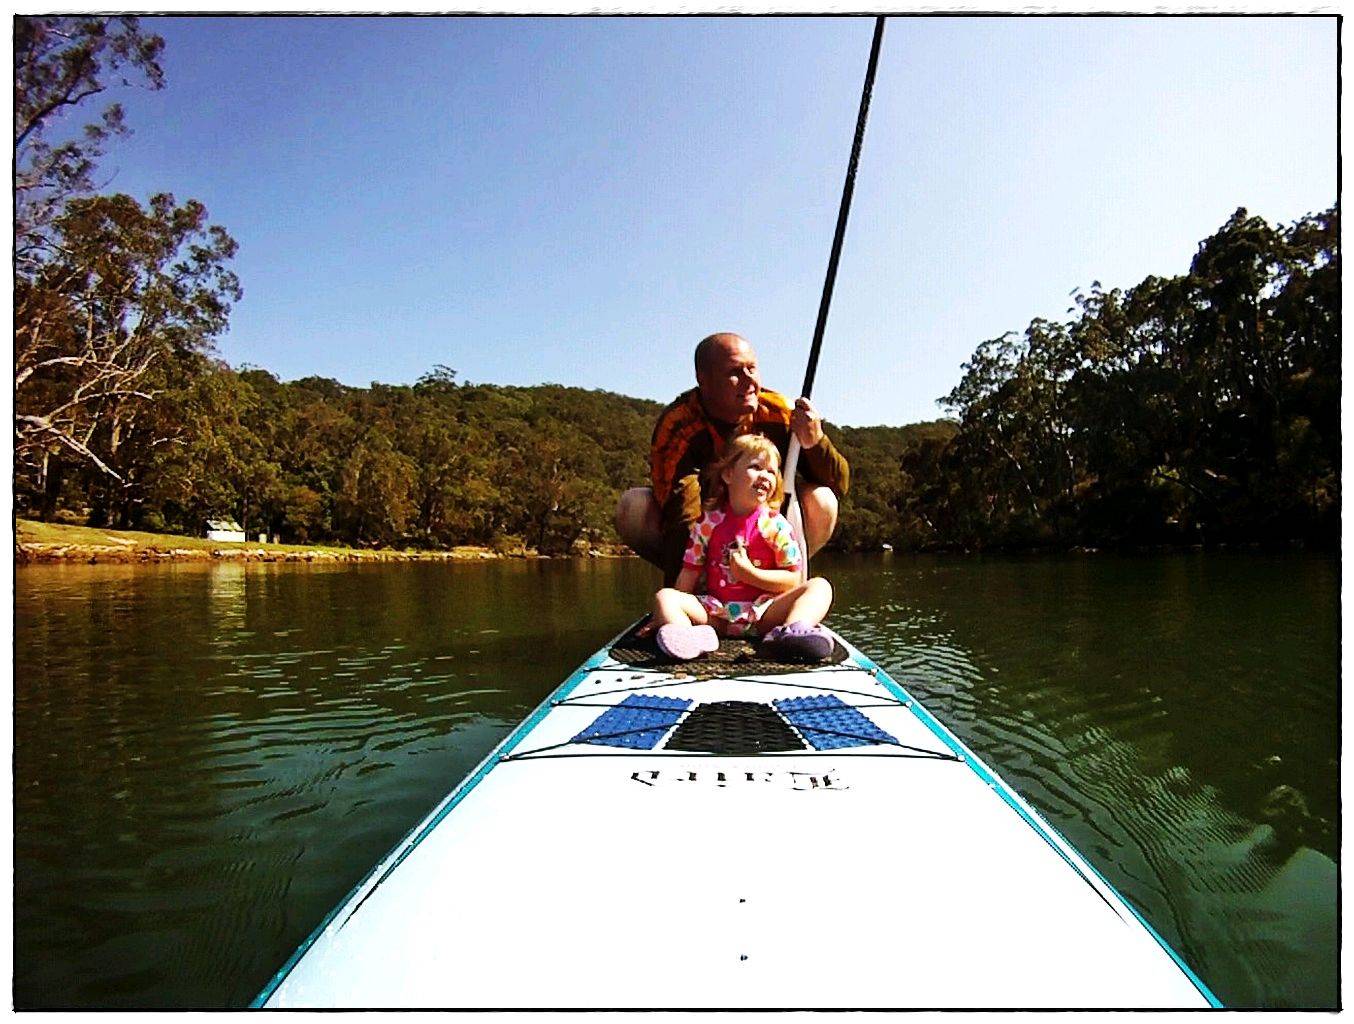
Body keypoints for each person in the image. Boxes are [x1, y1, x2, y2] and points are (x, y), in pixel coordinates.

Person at [615, 332, 850, 586]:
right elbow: (682, 514)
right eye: (735, 372)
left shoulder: (781, 413)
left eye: (752, 369)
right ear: (703, 380)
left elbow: (839, 484)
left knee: (823, 500)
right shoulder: (679, 426)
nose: (749, 381)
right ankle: (704, 583)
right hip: (705, 531)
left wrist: (815, 442)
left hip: (768, 530)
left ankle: (782, 577)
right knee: (633, 507)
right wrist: (686, 589)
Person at [649, 434, 835, 662]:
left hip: (764, 615)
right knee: (665, 597)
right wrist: (668, 614)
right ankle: (685, 635)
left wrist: (750, 575)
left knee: (820, 587)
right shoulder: (708, 523)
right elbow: (689, 574)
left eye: (771, 471)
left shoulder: (776, 526)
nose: (765, 476)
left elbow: (793, 580)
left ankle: (791, 632)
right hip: (718, 615)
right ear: (728, 474)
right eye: (756, 467)